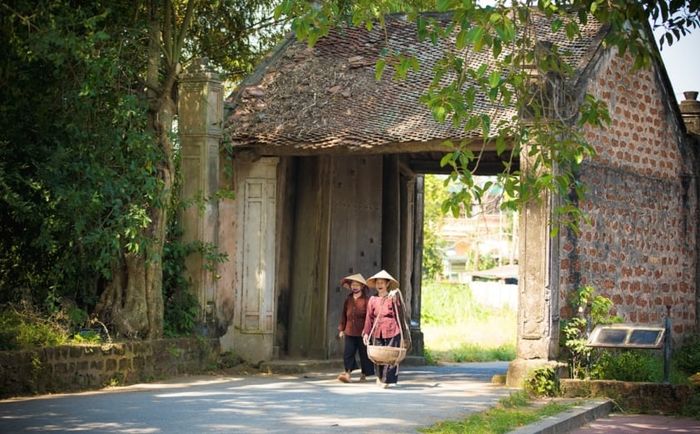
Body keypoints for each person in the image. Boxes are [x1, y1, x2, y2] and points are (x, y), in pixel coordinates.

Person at [362, 269, 402, 388]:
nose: (379, 285)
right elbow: (369, 317)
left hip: (392, 329)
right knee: (378, 356)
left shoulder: (392, 298)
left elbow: (400, 313)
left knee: (390, 356)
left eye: (382, 283)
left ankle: (387, 380)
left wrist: (396, 300)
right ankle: (380, 377)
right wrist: (366, 333)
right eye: (377, 283)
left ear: (387, 284)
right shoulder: (372, 300)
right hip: (377, 330)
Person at [337, 273, 375, 383]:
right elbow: (344, 315)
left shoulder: (367, 300)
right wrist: (341, 329)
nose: (355, 287)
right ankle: (347, 374)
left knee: (364, 354)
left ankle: (364, 374)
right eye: (353, 284)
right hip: (349, 330)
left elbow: (370, 316)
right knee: (348, 353)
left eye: (357, 285)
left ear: (362, 286)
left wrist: (368, 331)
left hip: (363, 332)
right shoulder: (348, 299)